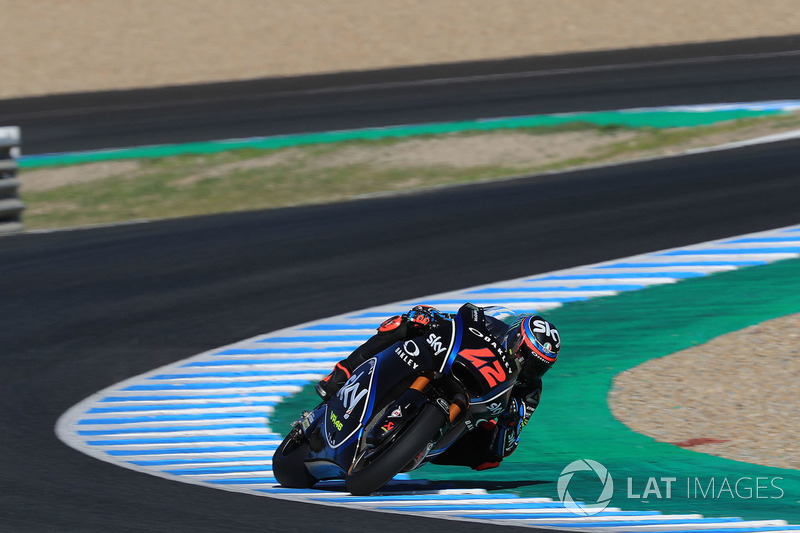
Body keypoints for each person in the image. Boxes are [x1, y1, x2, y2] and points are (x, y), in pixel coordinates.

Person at [315, 303, 561, 471]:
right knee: (406, 323)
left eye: (539, 367)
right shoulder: (492, 326)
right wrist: (429, 317)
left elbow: (506, 448)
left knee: (491, 458)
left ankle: (417, 446)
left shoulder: (530, 391)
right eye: (527, 359)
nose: (530, 370)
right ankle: (342, 373)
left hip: (469, 409)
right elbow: (453, 323)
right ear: (516, 340)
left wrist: (511, 421)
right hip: (441, 362)